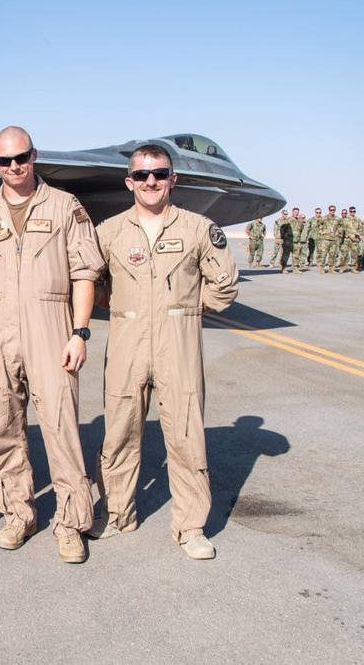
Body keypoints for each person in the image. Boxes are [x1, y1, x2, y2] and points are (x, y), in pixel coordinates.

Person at [88, 144, 238, 560]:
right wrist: (116, 304)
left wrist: (190, 309)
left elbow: (224, 283)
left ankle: (190, 526)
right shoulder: (111, 231)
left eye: (159, 173)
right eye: (141, 175)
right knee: (119, 431)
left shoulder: (196, 228)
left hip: (178, 344)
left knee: (187, 435)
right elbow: (87, 277)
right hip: (127, 342)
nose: (150, 181)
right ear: (129, 182)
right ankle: (117, 513)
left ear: (173, 178)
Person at [0, 126, 104, 563]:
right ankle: (17, 513)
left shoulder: (66, 207)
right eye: (4, 161)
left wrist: (79, 332)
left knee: (61, 427)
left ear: (34, 155)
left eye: (20, 157)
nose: (13, 167)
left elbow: (85, 272)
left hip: (51, 325)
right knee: (2, 427)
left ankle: (71, 523)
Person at [316, 205, 343, 273]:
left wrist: (339, 232)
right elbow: (318, 225)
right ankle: (321, 268)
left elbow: (341, 226)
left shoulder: (337, 219)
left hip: (334, 239)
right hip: (325, 239)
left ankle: (331, 269)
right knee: (324, 254)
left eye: (333, 210)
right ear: (329, 210)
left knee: (332, 255)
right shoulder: (324, 218)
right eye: (331, 210)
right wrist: (322, 232)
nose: (332, 211)